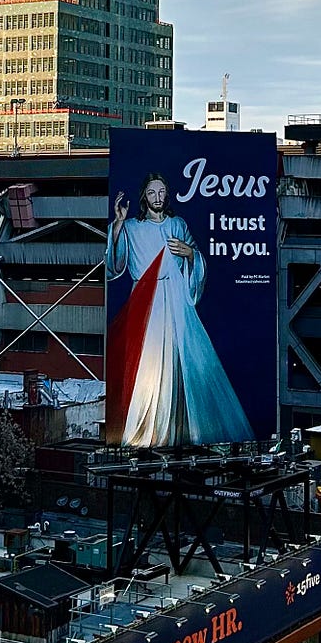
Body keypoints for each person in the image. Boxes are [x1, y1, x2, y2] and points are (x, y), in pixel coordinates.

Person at [105, 174, 253, 443]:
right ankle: (146, 431)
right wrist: (117, 224)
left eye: (162, 192)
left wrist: (189, 253)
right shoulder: (132, 227)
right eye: (152, 193)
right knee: (147, 370)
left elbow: (197, 262)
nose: (158, 197)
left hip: (174, 302)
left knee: (178, 366)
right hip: (146, 303)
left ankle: (174, 430)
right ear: (144, 197)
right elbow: (115, 263)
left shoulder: (178, 224)